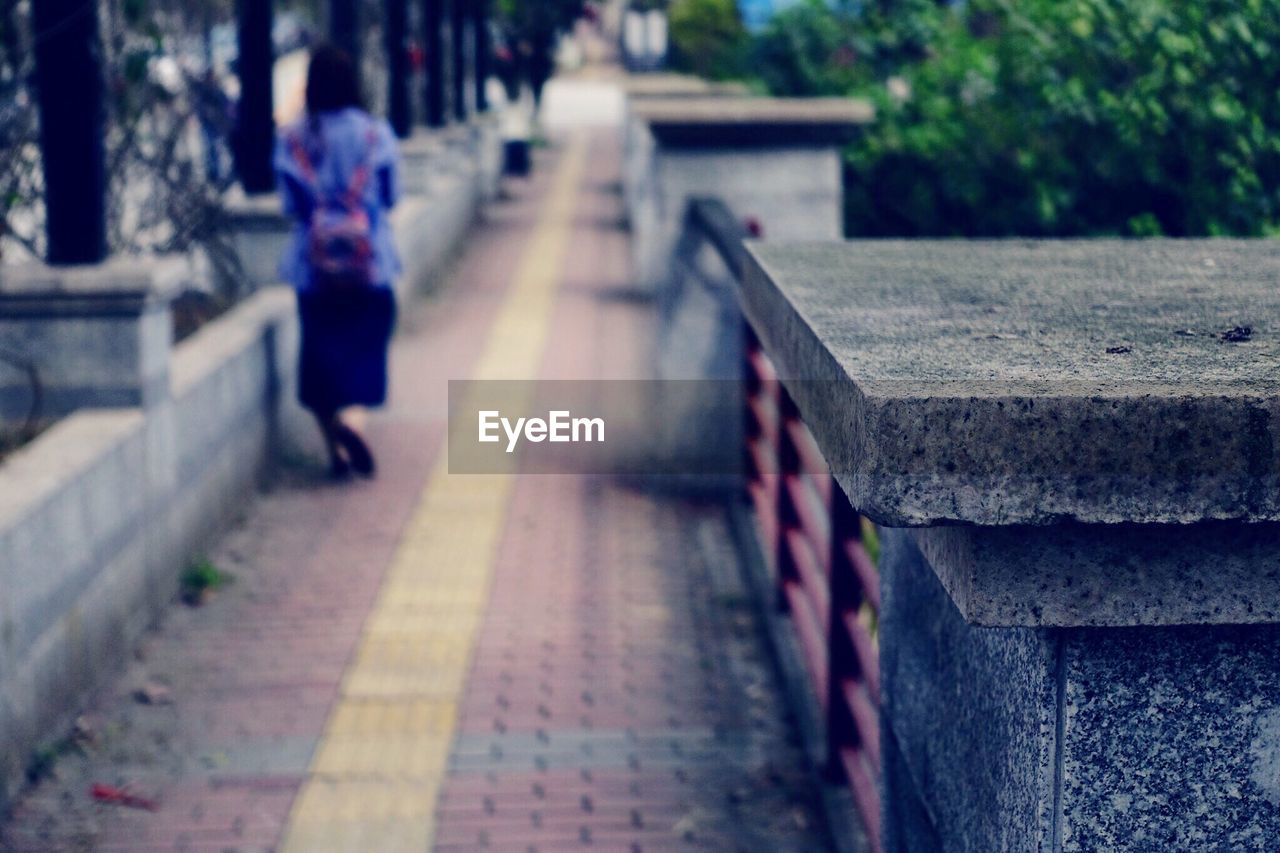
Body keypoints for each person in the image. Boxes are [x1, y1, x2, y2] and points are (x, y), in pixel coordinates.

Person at [274, 44, 401, 479]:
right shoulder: (375, 134)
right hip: (371, 267)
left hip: (314, 269)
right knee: (364, 354)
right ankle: (353, 423)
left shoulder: (292, 140)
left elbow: (290, 204)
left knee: (320, 361)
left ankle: (336, 454)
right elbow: (389, 197)